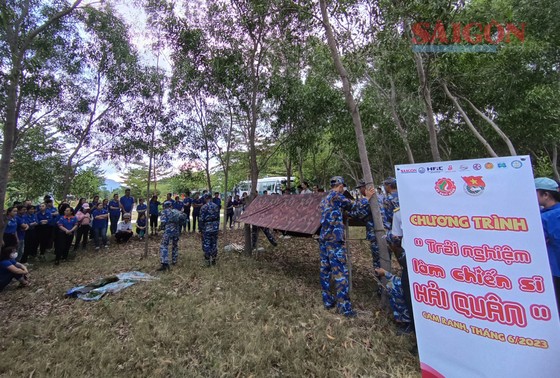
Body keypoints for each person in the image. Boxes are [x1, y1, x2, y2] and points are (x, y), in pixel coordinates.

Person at [319, 176, 374, 318]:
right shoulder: (337, 196)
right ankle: (344, 308)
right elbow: (354, 206)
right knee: (340, 273)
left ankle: (328, 301)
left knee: (325, 271)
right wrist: (367, 198)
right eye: (343, 186)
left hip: (324, 239)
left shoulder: (325, 199)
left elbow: (340, 212)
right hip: (334, 240)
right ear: (340, 185)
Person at [535, 177, 560, 313]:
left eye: (535, 193)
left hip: (554, 270)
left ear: (546, 195)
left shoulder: (550, 217)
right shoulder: (543, 214)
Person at [349, 179, 382, 269]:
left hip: (376, 233)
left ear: (365, 187)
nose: (360, 190)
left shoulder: (371, 201)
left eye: (360, 188)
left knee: (378, 260)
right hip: (381, 233)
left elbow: (357, 214)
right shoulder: (378, 198)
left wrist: (365, 199)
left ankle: (381, 281)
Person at [158, 201, 183, 271]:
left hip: (168, 231)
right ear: (171, 206)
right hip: (176, 230)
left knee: (164, 245)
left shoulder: (164, 212)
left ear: (164, 206)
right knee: (175, 245)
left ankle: (165, 263)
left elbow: (163, 222)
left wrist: (160, 228)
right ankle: (174, 261)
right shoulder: (176, 211)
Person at [199, 194, 220, 266]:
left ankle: (207, 261)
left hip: (207, 227)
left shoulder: (204, 207)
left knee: (207, 243)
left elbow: (201, 219)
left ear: (205, 198)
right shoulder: (216, 206)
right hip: (215, 227)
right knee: (214, 243)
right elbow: (218, 217)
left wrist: (200, 229)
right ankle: (214, 259)